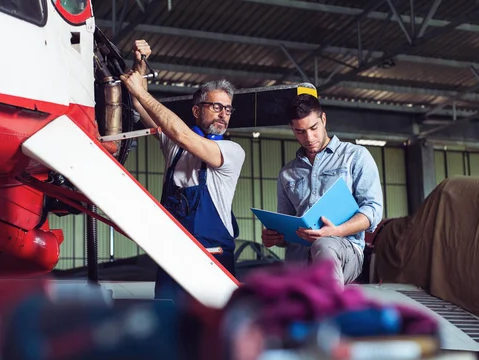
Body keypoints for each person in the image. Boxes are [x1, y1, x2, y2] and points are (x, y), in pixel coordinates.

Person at [119, 40, 245, 299]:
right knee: (168, 324)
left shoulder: (232, 152)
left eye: (228, 109)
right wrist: (140, 64)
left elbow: (182, 134)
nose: (223, 114)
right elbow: (140, 103)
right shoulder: (174, 147)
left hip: (213, 260)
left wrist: (142, 92)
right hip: (173, 257)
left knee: (213, 331)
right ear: (197, 110)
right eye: (216, 107)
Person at [261, 89, 383, 286]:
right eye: (300, 131)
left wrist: (336, 231)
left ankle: (331, 310)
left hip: (345, 250)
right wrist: (275, 237)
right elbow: (287, 226)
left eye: (313, 128)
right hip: (298, 260)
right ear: (292, 129)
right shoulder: (287, 173)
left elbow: (373, 210)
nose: (309, 137)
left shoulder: (355, 157)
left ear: (324, 119)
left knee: (324, 244)